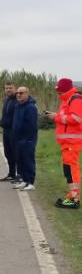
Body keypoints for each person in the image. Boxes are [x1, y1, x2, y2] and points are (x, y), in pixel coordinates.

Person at [45, 78, 82, 209]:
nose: (58, 94)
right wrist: (56, 115)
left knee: (71, 169)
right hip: (67, 143)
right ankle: (72, 196)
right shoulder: (67, 100)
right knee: (68, 169)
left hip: (72, 142)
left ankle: (74, 198)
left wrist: (56, 117)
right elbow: (67, 117)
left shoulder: (75, 99)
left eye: (59, 91)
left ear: (65, 90)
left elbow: (77, 119)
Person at [11, 87, 37, 191]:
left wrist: (29, 139)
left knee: (28, 160)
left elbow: (32, 125)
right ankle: (23, 180)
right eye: (17, 93)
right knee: (20, 160)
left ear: (27, 94)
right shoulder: (17, 106)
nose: (18, 95)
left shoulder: (31, 107)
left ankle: (30, 182)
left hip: (27, 139)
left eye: (21, 93)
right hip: (17, 138)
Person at [0, 81, 19, 182]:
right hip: (6, 130)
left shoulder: (18, 100)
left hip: (14, 131)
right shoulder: (7, 100)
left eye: (10, 88)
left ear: (15, 88)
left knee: (16, 153)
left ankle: (19, 175)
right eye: (6, 88)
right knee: (8, 153)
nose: (8, 90)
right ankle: (11, 174)